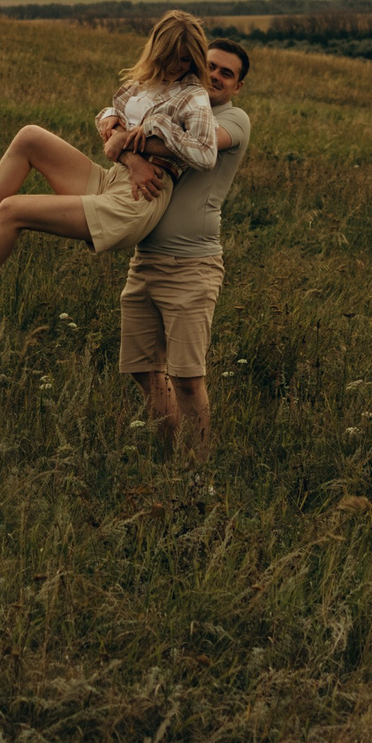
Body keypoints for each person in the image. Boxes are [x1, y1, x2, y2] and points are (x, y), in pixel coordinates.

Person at [0, 10, 218, 332]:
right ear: (156, 50)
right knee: (30, 136)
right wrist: (116, 131)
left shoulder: (192, 95)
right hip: (114, 177)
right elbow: (110, 119)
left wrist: (153, 131)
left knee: (13, 209)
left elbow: (206, 153)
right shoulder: (142, 84)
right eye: (169, 57)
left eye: (184, 60)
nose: (175, 66)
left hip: (139, 196)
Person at [119, 38, 248, 463]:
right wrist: (120, 132)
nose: (215, 76)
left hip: (193, 264)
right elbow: (116, 116)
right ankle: (170, 458)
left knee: (188, 378)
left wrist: (130, 140)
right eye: (209, 66)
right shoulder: (169, 104)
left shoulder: (235, 120)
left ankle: (199, 473)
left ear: (237, 86)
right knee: (143, 368)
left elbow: (203, 148)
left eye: (226, 73)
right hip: (145, 259)